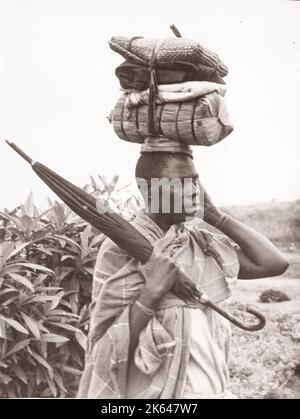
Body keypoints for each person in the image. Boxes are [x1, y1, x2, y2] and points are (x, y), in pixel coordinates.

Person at [77, 150, 288, 399]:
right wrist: (151, 293)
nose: (193, 191)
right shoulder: (120, 249)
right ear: (150, 193)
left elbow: (274, 263)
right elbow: (106, 344)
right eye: (181, 183)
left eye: (195, 181)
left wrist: (216, 216)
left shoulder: (200, 242)